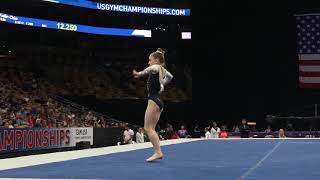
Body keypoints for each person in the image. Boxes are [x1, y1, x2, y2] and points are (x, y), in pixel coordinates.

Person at [132, 48, 173, 162]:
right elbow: (171, 77)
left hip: (153, 100)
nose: (149, 62)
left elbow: (152, 68)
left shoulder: (156, 67)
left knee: (148, 128)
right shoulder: (164, 70)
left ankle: (158, 152)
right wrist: (162, 83)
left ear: (156, 60)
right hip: (159, 101)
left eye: (150, 60)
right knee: (151, 128)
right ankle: (158, 152)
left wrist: (139, 73)